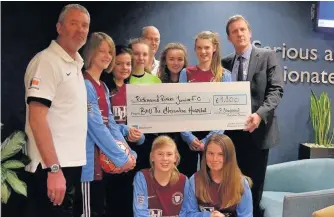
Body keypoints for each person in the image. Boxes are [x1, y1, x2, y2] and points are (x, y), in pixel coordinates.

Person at [23, 4, 90, 217]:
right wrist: (53, 170)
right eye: (74, 23)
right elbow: (37, 118)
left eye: (85, 26)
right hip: (52, 169)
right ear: (59, 27)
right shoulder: (47, 62)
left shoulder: (75, 64)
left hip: (68, 167)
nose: (80, 30)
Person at [74, 32, 145, 217]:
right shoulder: (85, 84)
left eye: (110, 52)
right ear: (90, 53)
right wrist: (121, 158)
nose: (107, 56)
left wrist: (128, 153)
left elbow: (111, 125)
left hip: (102, 166)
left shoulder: (102, 87)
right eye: (102, 51)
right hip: (88, 166)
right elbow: (95, 127)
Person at [221, 15, 284, 217]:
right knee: (229, 181)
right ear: (229, 38)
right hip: (231, 134)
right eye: (234, 31)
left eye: (242, 29)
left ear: (250, 32)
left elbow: (276, 91)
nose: (239, 34)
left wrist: (258, 115)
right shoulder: (225, 63)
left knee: (254, 185)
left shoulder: (267, 56)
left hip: (258, 131)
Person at [178, 31, 232, 176]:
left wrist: (208, 140)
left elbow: (225, 113)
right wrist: (188, 137)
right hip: (189, 136)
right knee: (185, 176)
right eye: (199, 48)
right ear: (195, 49)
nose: (203, 51)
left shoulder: (224, 75)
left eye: (207, 47)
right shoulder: (186, 73)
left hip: (214, 135)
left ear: (214, 48)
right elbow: (179, 108)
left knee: (211, 178)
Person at [100, 44, 140, 217]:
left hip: (130, 152)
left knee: (126, 197)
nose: (125, 68)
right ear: (111, 65)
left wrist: (139, 136)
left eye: (128, 64)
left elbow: (141, 128)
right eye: (119, 63)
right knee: (108, 200)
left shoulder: (135, 91)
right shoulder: (103, 89)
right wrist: (124, 130)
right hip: (106, 153)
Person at [186, 134, 253, 217]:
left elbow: (246, 215)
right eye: (210, 153)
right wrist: (209, 215)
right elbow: (189, 213)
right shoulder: (194, 180)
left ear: (229, 156)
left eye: (221, 154)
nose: (214, 159)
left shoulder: (241, 183)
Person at [156, 42, 195, 178]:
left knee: (186, 175)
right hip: (165, 138)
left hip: (186, 141)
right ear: (165, 61)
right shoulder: (157, 83)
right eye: (171, 59)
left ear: (185, 61)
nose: (176, 63)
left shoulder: (193, 83)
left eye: (180, 59)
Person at [133, 135, 189, 217]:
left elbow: (186, 212)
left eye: (169, 154)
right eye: (160, 154)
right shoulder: (142, 177)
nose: (165, 158)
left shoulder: (183, 181)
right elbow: (140, 213)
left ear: (175, 158)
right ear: (152, 156)